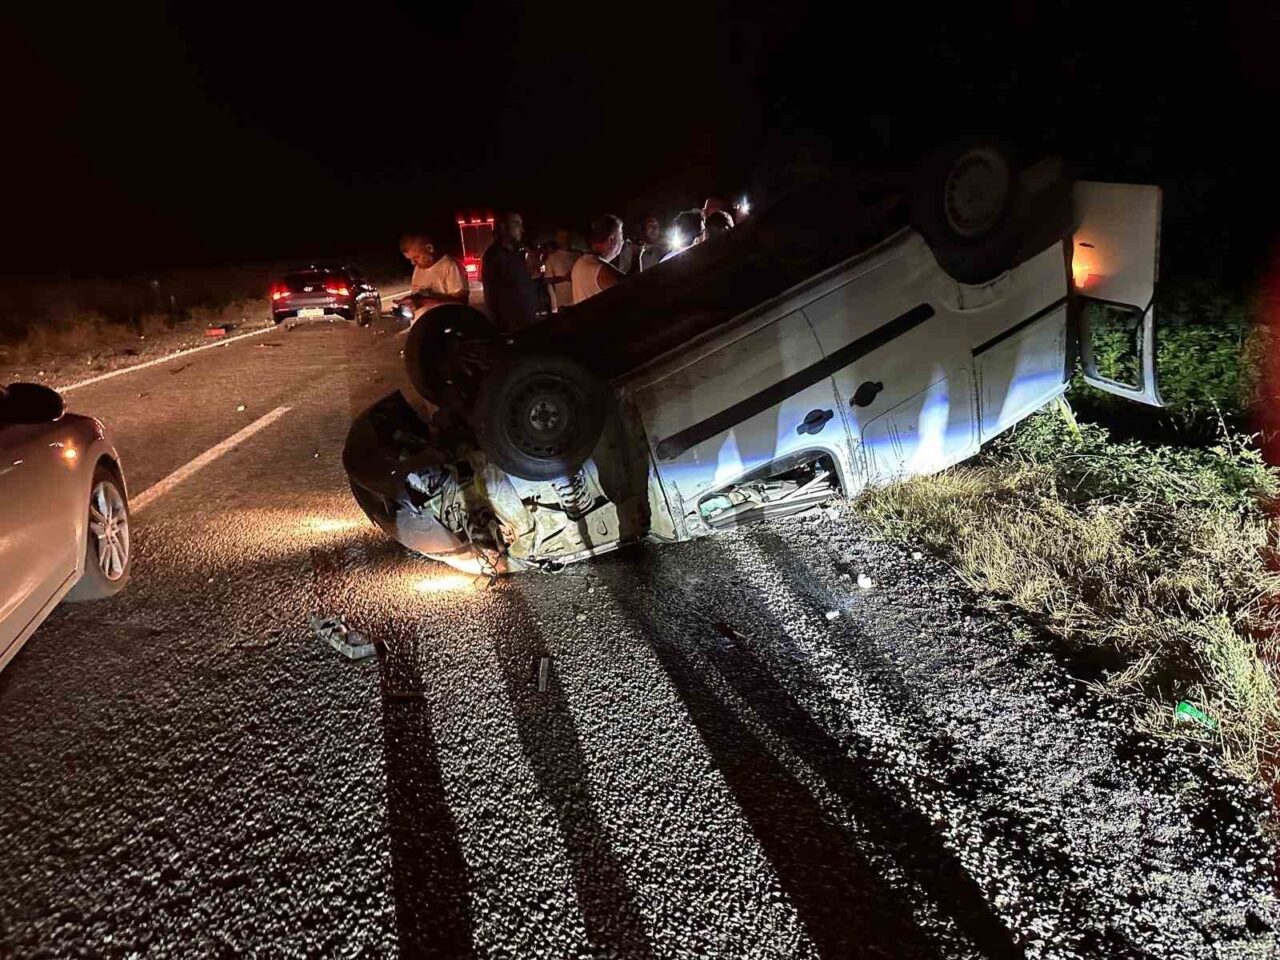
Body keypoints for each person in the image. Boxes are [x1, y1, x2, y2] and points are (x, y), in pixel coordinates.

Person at [482, 211, 541, 332]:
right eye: (517, 224)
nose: (522, 229)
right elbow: (495, 296)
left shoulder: (516, 253)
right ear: (504, 228)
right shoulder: (495, 256)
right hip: (514, 328)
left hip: (527, 323)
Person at [397, 233, 469, 320]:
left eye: (416, 257)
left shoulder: (450, 266)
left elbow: (461, 302)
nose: (413, 263)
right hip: (422, 328)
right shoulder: (419, 268)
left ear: (429, 248)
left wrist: (422, 302)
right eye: (410, 259)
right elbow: (418, 296)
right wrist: (409, 303)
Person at [570, 214, 626, 304]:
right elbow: (635, 290)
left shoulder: (581, 262)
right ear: (611, 240)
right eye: (621, 236)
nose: (623, 241)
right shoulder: (600, 270)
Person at [542, 227, 581, 312]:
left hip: (580, 299)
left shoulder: (577, 255)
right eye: (561, 237)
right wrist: (564, 278)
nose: (564, 240)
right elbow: (546, 280)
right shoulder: (552, 258)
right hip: (564, 304)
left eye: (567, 237)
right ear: (557, 239)